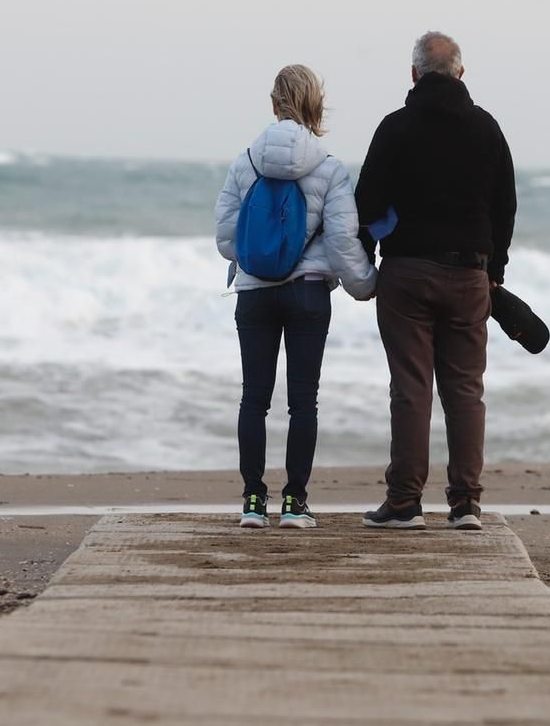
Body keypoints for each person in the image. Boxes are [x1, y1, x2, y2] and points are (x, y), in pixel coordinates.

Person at [354, 31, 516, 531]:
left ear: (414, 74)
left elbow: (365, 204)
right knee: (466, 389)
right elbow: (505, 206)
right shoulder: (486, 129)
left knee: (411, 389)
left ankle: (404, 502)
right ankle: (466, 502)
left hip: (408, 275)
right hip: (470, 274)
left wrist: (365, 258)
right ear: (461, 74)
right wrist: (495, 272)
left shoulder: (396, 128)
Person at [216, 64, 377, 529]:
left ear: (273, 104)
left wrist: (259, 256)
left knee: (254, 399)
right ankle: (294, 504)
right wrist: (366, 285)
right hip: (308, 295)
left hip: (253, 293)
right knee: (303, 402)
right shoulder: (329, 169)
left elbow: (227, 236)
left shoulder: (244, 162)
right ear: (316, 106)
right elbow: (345, 244)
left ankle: (251, 503)